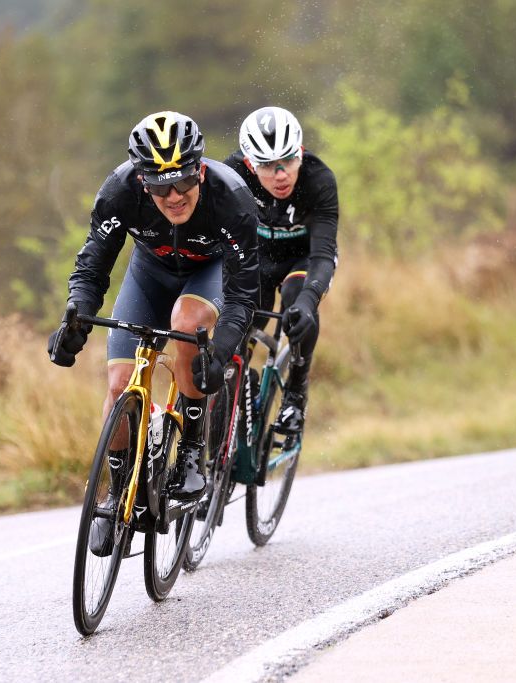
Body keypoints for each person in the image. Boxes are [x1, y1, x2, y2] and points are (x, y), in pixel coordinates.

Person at [49, 111, 259, 516]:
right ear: (142, 181)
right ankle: (119, 484)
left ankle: (193, 453)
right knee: (119, 383)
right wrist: (74, 318)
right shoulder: (118, 192)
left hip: (207, 273)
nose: (174, 196)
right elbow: (92, 267)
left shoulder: (232, 198)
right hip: (149, 274)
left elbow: (243, 294)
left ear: (200, 170)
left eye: (183, 181)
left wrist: (220, 351)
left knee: (186, 322)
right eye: (161, 186)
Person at [223, 106, 338, 437]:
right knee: (240, 324)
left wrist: (307, 301)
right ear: (249, 164)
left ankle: (295, 393)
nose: (281, 174)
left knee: (295, 301)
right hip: (256, 259)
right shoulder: (233, 176)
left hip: (303, 260)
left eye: (288, 160)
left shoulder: (319, 180)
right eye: (267, 166)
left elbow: (323, 253)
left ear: (300, 153)